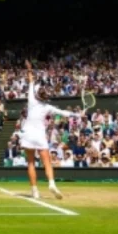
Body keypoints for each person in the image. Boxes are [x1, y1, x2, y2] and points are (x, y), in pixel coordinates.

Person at [19, 60, 80, 199]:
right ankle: (52, 184)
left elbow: (30, 80)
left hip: (28, 134)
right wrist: (77, 114)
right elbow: (64, 112)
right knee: (47, 163)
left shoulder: (31, 99)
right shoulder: (48, 107)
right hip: (40, 135)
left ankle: (35, 191)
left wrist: (29, 68)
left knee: (30, 163)